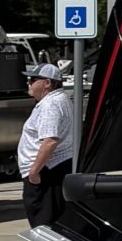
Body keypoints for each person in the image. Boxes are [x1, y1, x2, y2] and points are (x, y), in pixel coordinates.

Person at [17, 61, 76, 227]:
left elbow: (50, 141)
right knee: (54, 222)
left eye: (32, 80)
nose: (28, 83)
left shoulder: (50, 105)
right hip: (54, 168)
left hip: (46, 172)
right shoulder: (61, 100)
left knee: (43, 225)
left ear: (47, 83)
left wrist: (34, 172)